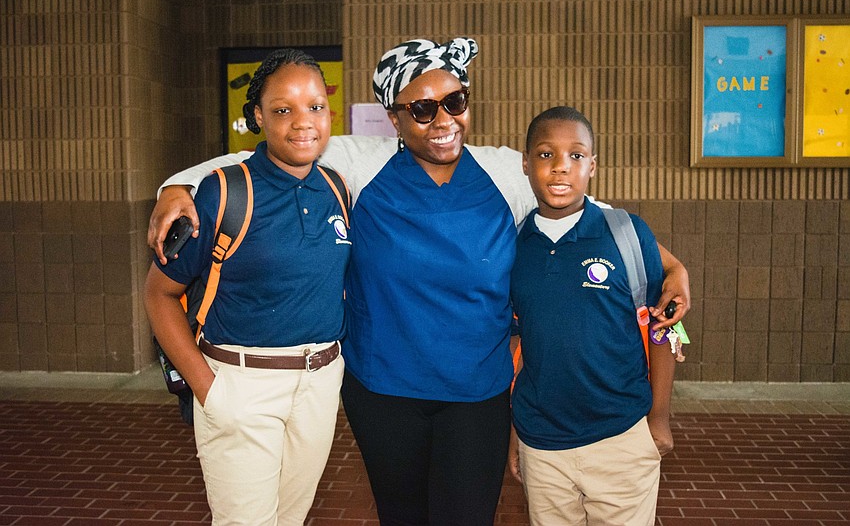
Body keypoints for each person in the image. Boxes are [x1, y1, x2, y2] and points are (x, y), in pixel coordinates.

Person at [147, 38, 690, 525]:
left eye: (455, 102)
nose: (443, 120)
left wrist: (672, 267)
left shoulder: (504, 171)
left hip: (477, 395)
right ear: (394, 117)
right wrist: (177, 186)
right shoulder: (361, 163)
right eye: (423, 109)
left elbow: (585, 211)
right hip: (383, 393)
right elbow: (269, 155)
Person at [143, 48, 349, 526]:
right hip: (241, 385)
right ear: (258, 116)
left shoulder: (337, 188)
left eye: (315, 106)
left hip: (319, 386)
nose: (303, 122)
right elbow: (159, 294)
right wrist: (209, 390)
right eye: (283, 109)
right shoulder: (223, 191)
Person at [508, 106, 676, 526]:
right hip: (542, 446)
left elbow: (667, 328)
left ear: (593, 166)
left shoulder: (627, 234)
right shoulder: (514, 247)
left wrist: (658, 419)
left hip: (621, 439)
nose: (561, 167)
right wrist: (515, 433)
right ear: (525, 163)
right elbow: (519, 346)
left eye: (576, 155)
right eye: (546, 154)